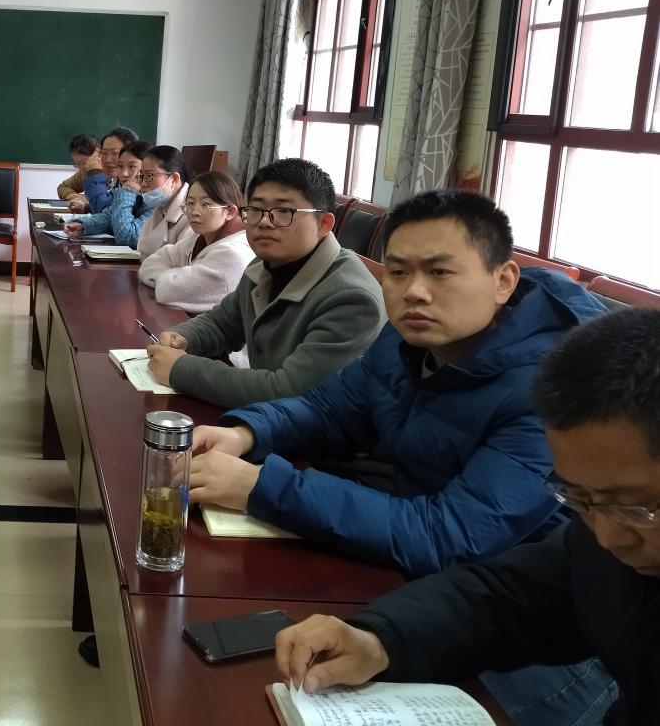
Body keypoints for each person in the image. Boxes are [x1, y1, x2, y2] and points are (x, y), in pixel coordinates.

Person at [187, 190, 608, 580]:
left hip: (513, 594)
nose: (415, 292)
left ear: (503, 281)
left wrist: (260, 486)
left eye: (439, 272)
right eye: (398, 272)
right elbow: (328, 409)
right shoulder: (406, 338)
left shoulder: (555, 390)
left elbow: (451, 537)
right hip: (404, 544)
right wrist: (245, 433)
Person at [274, 307, 657, 726]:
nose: (607, 536)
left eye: (634, 508)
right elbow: (507, 598)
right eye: (579, 497)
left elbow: (447, 536)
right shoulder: (600, 528)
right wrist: (380, 639)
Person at [145, 158, 383, 408]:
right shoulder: (263, 265)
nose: (265, 221)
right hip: (263, 420)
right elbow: (223, 323)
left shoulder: (352, 299)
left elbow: (290, 392)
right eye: (256, 209)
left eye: (284, 211)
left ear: (323, 224)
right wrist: (183, 336)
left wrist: (181, 369)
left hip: (311, 429)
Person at [137, 171, 253, 314]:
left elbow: (169, 292)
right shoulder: (200, 237)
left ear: (230, 212)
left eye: (205, 204)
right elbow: (149, 264)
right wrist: (176, 279)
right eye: (190, 203)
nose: (194, 212)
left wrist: (171, 279)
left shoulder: (232, 254)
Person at [64, 140, 151, 247]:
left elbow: (127, 238)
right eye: (120, 166)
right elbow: (106, 218)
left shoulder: (153, 201)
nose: (124, 173)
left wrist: (127, 192)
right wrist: (82, 226)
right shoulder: (131, 193)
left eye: (132, 167)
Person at [134, 145, 192, 259]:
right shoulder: (160, 210)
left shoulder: (191, 215)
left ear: (174, 179)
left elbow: (180, 263)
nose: (143, 184)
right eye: (142, 176)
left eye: (149, 175)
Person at [80, 126, 137, 215]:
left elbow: (104, 212)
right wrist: (88, 208)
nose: (108, 160)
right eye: (104, 153)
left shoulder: (138, 185)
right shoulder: (116, 181)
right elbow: (111, 209)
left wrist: (94, 173)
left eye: (115, 153)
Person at [56, 133, 98, 206]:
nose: (82, 168)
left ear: (98, 155)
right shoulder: (83, 173)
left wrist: (88, 203)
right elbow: (63, 187)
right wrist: (74, 196)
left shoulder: (112, 174)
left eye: (84, 163)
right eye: (78, 164)